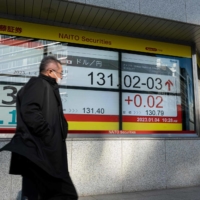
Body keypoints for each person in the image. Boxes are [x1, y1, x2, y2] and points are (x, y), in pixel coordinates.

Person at [0, 56, 78, 200]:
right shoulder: (38, 84)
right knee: (65, 193)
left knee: (37, 191)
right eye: (60, 73)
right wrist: (47, 136)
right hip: (40, 152)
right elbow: (30, 112)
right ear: (50, 71)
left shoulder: (47, 87)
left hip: (42, 152)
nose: (61, 77)